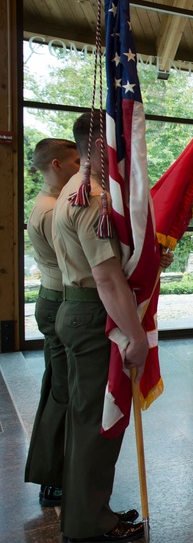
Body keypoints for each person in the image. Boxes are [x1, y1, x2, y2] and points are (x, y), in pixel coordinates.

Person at [51, 112, 167, 543]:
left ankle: (89, 508)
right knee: (98, 425)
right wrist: (136, 335)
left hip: (77, 309)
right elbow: (106, 278)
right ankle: (88, 523)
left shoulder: (73, 188)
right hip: (93, 316)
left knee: (85, 419)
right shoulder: (92, 198)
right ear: (102, 144)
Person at [24, 137, 79, 509]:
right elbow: (78, 262)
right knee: (63, 393)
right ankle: (53, 478)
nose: (82, 167)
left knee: (59, 388)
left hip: (52, 297)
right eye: (76, 161)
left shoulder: (49, 202)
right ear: (57, 165)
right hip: (60, 299)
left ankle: (54, 473)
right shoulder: (51, 210)